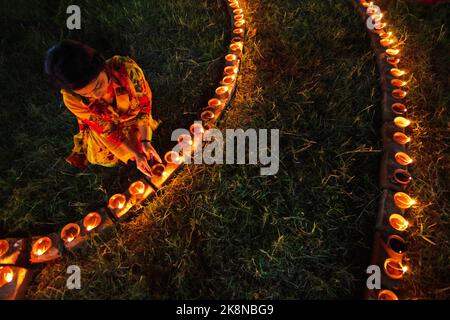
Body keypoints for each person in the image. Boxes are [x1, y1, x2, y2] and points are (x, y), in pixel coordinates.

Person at [44, 40, 161, 177]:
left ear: (102, 67)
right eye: (86, 94)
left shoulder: (126, 70)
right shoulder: (72, 99)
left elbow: (144, 106)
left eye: (98, 85)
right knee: (106, 156)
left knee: (140, 140)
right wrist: (135, 154)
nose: (96, 95)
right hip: (107, 126)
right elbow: (106, 129)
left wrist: (146, 142)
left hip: (133, 115)